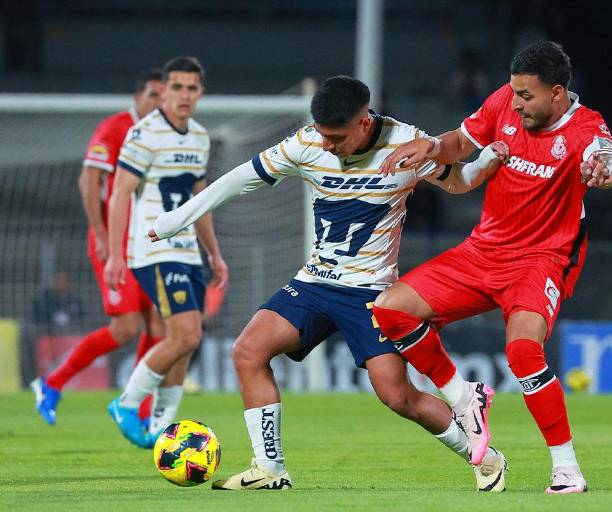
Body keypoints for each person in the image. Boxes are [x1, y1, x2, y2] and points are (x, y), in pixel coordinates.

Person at [149, 76, 509, 491]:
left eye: (336, 137)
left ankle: (487, 458)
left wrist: (485, 162)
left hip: (372, 293)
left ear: (363, 122)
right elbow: (239, 179)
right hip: (316, 283)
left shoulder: (405, 142)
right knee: (248, 350)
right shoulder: (306, 143)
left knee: (397, 396)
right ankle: (269, 469)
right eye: (322, 134)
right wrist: (177, 220)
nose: (327, 145)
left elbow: (458, 181)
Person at [373, 41, 612, 494]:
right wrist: (431, 145)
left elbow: (605, 157)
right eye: (514, 92)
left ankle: (566, 469)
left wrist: (605, 169)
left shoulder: (585, 126)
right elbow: (458, 143)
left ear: (557, 93)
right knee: (391, 308)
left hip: (541, 259)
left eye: (527, 95)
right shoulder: (504, 100)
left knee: (523, 352)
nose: (517, 102)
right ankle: (463, 397)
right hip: (483, 251)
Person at [104, 56, 228, 448]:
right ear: (164, 91)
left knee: (185, 338)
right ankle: (126, 402)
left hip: (188, 249)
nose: (184, 95)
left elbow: (200, 202)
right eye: (176, 87)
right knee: (187, 335)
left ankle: (161, 423)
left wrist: (214, 253)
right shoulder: (144, 134)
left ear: (201, 92)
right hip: (154, 248)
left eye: (192, 88)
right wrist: (115, 254)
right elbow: (120, 194)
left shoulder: (199, 137)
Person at [31, 70, 165, 426]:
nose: (159, 103)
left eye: (163, 97)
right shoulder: (116, 127)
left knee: (159, 322)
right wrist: (102, 235)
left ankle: (139, 408)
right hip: (115, 243)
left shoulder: (164, 135)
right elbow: (88, 180)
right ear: (137, 97)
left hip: (148, 242)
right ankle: (51, 383)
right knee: (125, 328)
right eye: (153, 95)